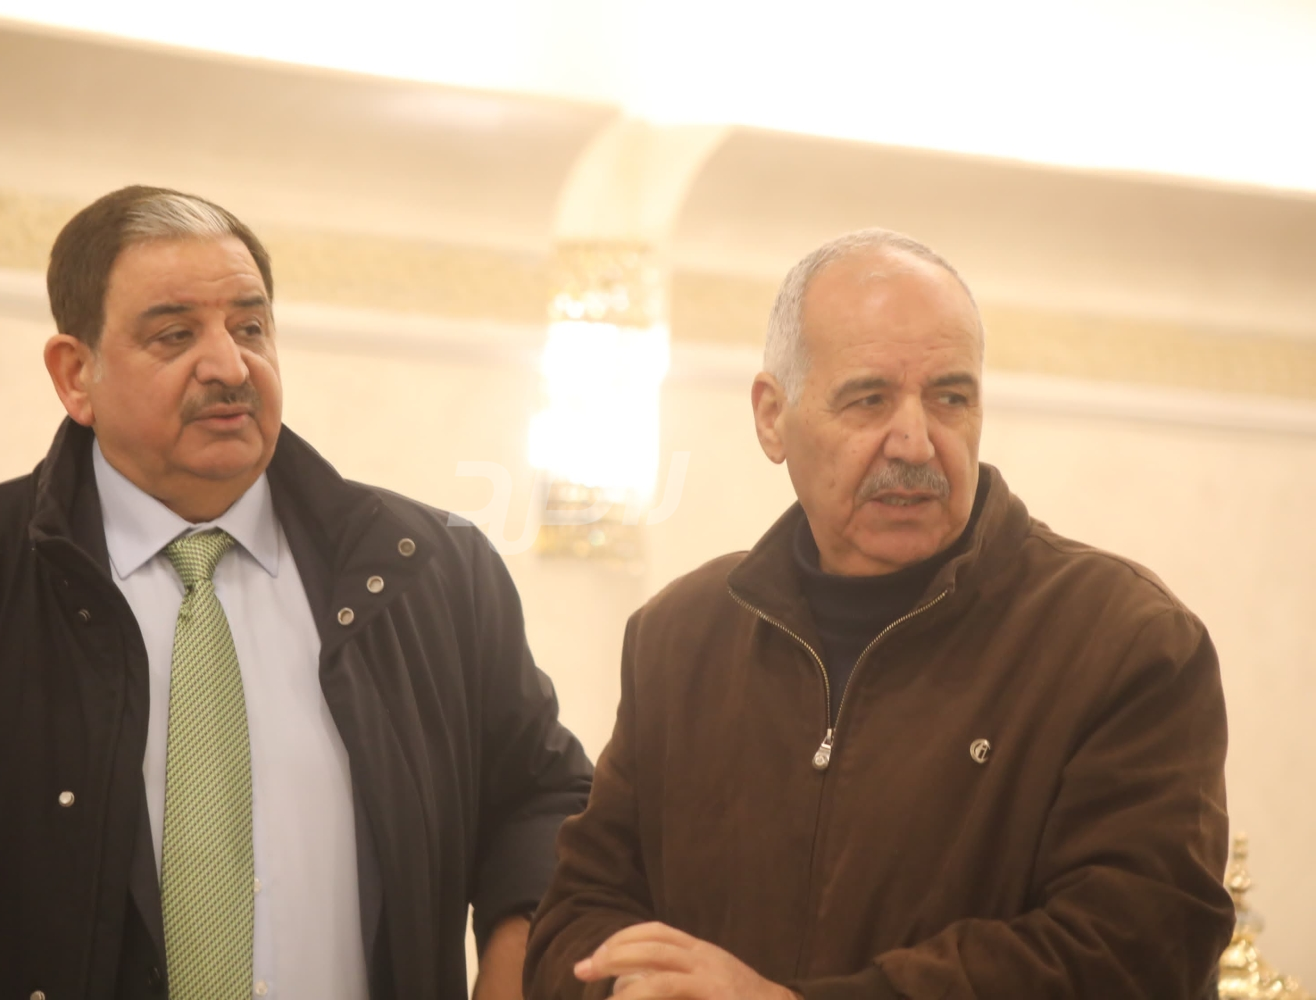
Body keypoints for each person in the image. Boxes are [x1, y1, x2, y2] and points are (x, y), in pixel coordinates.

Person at [0, 186, 592, 1000]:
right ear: (76, 375)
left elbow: (542, 796)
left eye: (250, 327)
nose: (229, 366)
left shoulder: (434, 571)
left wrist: (514, 966)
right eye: (175, 334)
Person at [525, 230, 1233, 999]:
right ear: (772, 417)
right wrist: (634, 986)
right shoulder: (681, 636)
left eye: (950, 398)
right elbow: (578, 912)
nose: (916, 443)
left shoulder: (1122, 640)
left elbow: (1135, 949)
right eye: (869, 399)